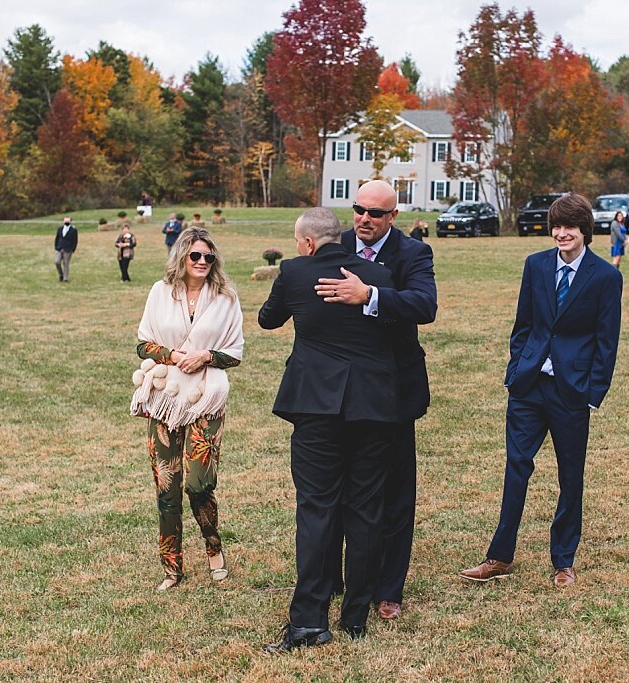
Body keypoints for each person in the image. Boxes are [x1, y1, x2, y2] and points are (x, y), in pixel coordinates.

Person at [459, 194, 622, 588]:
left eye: (569, 227)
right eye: (556, 227)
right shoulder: (535, 265)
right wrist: (518, 367)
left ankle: (563, 560)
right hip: (528, 387)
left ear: (585, 230)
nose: (561, 234)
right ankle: (499, 556)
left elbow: (607, 341)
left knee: (571, 475)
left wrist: (590, 392)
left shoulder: (605, 277)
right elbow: (524, 323)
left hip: (571, 391)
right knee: (516, 467)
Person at [258, 208, 399, 652]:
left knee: (317, 508)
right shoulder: (377, 275)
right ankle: (355, 614)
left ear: (306, 242)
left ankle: (308, 622)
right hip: (373, 407)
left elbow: (268, 319)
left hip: (317, 406)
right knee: (366, 508)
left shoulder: (295, 272)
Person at [313, 178, 436, 622]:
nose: (365, 219)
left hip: (394, 394)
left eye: (376, 213)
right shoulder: (336, 245)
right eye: (359, 209)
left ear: (393, 217)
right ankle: (335, 581)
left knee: (394, 493)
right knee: (339, 489)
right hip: (340, 393)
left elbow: (424, 305)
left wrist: (370, 297)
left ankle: (388, 589)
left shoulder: (413, 254)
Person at [131, 228, 244, 592]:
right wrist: (174, 356)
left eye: (208, 257)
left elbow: (236, 353)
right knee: (167, 486)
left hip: (206, 399)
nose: (201, 263)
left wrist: (206, 356)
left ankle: (214, 549)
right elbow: (143, 345)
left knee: (199, 484)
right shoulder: (160, 292)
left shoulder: (226, 297)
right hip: (164, 399)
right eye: (195, 256)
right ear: (182, 257)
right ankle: (172, 568)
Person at [54, 217, 80, 283]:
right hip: (59, 248)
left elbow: (75, 240)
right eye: (65, 221)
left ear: (70, 222)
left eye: (68, 221)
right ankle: (61, 274)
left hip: (68, 249)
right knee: (57, 262)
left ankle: (65, 279)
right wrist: (56, 247)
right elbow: (57, 238)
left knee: (66, 263)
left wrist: (72, 249)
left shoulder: (73, 230)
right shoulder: (60, 229)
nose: (66, 222)